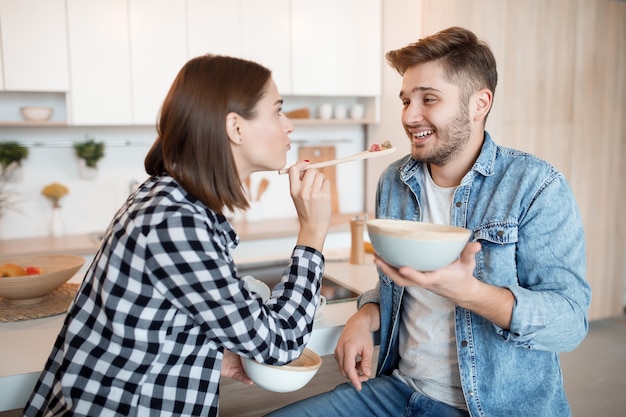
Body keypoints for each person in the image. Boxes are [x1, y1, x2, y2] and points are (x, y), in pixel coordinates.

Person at [266, 26, 591, 417]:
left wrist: (468, 291)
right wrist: (366, 314)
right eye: (405, 101)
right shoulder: (394, 181)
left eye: (428, 99)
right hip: (398, 391)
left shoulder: (536, 186)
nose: (409, 116)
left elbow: (570, 323)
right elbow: (398, 287)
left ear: (479, 104)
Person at [23, 55, 332, 417]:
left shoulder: (169, 198)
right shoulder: (176, 222)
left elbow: (158, 320)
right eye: (278, 111)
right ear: (236, 127)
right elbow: (280, 343)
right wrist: (312, 232)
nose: (289, 125)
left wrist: (205, 351)